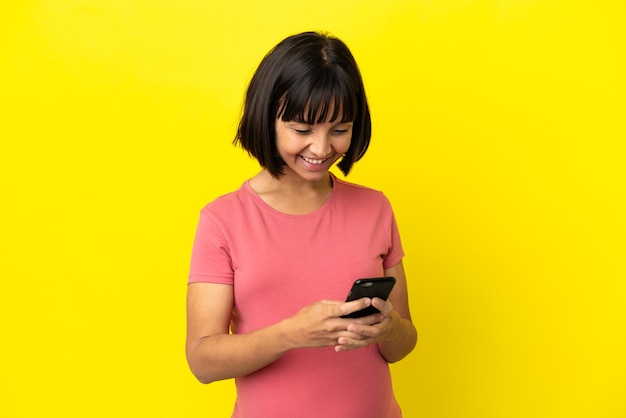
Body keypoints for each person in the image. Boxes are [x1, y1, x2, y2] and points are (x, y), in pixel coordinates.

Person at [186, 31, 417, 418]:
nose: (322, 148)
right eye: (303, 129)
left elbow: (403, 343)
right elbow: (202, 361)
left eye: (339, 129)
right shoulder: (222, 220)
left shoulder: (374, 208)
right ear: (267, 118)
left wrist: (388, 329)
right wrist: (291, 334)